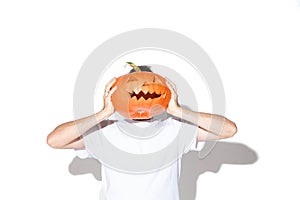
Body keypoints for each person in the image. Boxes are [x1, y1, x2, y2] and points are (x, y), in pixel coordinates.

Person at [47, 69, 237, 200]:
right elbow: (54, 140)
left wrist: (179, 111)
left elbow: (228, 130)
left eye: (152, 84)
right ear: (116, 93)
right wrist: (103, 113)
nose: (142, 91)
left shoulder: (175, 129)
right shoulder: (103, 131)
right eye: (132, 85)